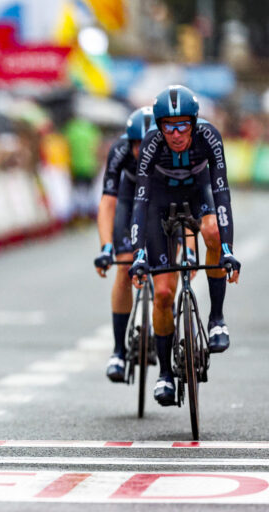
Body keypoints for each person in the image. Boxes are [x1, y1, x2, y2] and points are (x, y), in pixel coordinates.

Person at [129, 85, 240, 406]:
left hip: (198, 193)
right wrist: (138, 254)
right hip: (160, 201)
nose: (176, 134)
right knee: (163, 293)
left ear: (193, 123)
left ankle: (216, 319)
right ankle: (165, 373)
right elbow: (140, 200)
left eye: (182, 126)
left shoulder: (209, 136)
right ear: (159, 127)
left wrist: (228, 249)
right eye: (168, 127)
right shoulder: (152, 143)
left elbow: (221, 192)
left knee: (213, 234)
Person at [94, 107, 156, 382]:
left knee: (169, 270)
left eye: (147, 144)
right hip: (130, 200)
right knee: (124, 267)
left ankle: (166, 319)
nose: (141, 150)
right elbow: (108, 202)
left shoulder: (172, 151)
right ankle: (119, 350)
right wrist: (106, 247)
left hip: (162, 199)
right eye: (136, 144)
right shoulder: (119, 150)